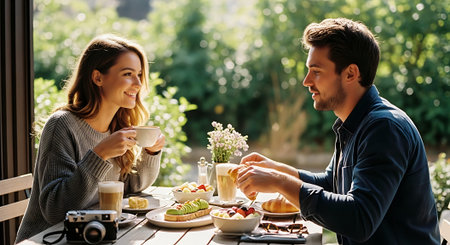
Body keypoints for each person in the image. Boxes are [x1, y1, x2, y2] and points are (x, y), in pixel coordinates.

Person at [236, 18, 440, 244]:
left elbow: (359, 219)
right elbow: (332, 183)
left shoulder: (385, 128)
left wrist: (278, 181)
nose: (306, 81)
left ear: (351, 73)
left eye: (316, 71)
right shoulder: (356, 123)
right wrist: (278, 169)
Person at [16, 34, 165, 243]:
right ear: (97, 78)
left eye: (139, 74)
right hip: (49, 239)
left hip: (94, 237)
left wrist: (152, 152)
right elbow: (56, 211)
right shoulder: (62, 125)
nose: (138, 83)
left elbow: (132, 187)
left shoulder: (115, 127)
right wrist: (99, 154)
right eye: (128, 74)